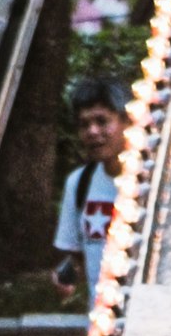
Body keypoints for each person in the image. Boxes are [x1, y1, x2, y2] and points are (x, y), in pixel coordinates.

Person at [52, 91, 127, 305]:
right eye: (84, 125)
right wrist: (66, 274)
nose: (93, 132)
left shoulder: (153, 179)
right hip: (102, 321)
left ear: (126, 122)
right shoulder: (79, 183)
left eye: (102, 121)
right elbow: (76, 255)